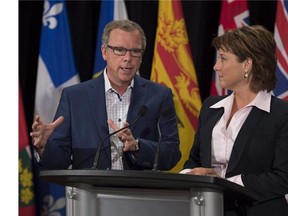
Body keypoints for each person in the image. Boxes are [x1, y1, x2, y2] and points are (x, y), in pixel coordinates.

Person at [30, 19, 181, 171]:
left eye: (135, 51)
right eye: (119, 50)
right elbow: (59, 161)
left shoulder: (159, 96)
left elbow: (172, 154)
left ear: (141, 57)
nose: (127, 58)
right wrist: (44, 148)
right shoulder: (75, 97)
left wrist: (137, 146)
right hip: (91, 191)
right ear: (104, 52)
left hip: (139, 192)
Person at [180, 25, 288, 216]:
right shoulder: (211, 107)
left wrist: (223, 183)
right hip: (208, 209)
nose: (216, 66)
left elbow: (283, 178)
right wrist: (189, 175)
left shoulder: (281, 114)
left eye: (223, 58)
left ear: (247, 64)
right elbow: (195, 159)